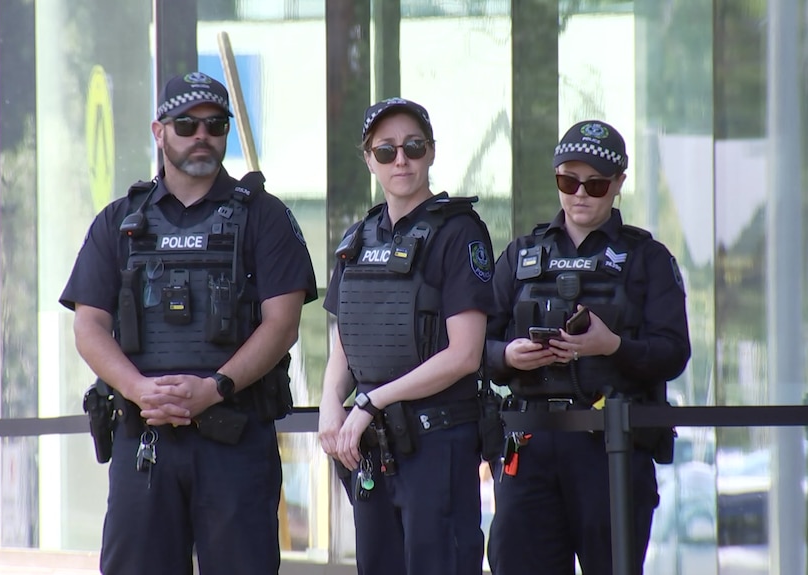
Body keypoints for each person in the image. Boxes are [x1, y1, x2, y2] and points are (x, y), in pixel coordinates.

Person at [60, 71, 317, 575]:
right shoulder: (119, 221)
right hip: (145, 438)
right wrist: (139, 390)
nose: (202, 134)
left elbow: (282, 324)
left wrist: (215, 387)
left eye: (215, 124)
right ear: (160, 132)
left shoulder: (263, 216)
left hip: (234, 436)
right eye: (186, 124)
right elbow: (88, 325)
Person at [485, 120, 691, 575]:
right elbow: (476, 345)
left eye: (595, 183)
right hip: (531, 440)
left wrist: (611, 345)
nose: (580, 193)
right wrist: (508, 355)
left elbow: (674, 352)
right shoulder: (521, 255)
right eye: (568, 180)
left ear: (618, 183)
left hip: (611, 445)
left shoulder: (648, 259)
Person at [318, 97, 496, 575]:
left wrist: (369, 402)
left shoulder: (460, 233)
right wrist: (330, 404)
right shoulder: (358, 238)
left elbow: (464, 355)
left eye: (413, 147)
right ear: (368, 158)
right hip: (373, 448)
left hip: (437, 443)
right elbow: (344, 341)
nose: (401, 160)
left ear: (431, 153)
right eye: (386, 150)